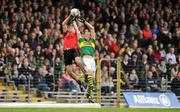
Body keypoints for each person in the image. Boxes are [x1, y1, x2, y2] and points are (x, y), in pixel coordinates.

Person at [73, 18, 96, 103]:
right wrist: (74, 22)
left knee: (92, 80)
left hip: (92, 60)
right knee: (89, 73)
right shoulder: (81, 41)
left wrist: (85, 21)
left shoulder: (92, 41)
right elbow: (77, 31)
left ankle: (89, 95)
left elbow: (92, 28)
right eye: (85, 33)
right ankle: (91, 87)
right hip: (85, 58)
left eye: (88, 33)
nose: (86, 34)